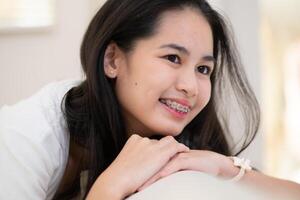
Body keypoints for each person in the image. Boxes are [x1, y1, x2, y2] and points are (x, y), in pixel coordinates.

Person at [1, 0, 298, 199]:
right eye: (172, 57)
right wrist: (109, 188)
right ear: (113, 59)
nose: (191, 86)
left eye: (203, 69)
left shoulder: (178, 139)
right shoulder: (30, 133)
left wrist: (225, 168)